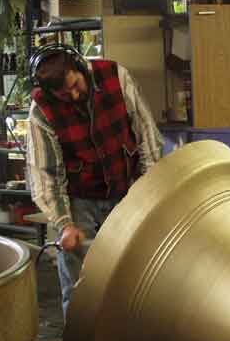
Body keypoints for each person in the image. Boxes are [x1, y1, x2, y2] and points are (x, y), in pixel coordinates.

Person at [26, 44, 164, 317]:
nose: (75, 95)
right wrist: (64, 225)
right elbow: (45, 174)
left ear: (78, 67)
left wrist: (150, 195)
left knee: (135, 280)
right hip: (80, 203)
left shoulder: (116, 76)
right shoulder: (41, 111)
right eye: (65, 95)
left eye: (76, 85)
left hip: (127, 193)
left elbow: (147, 136)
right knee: (80, 291)